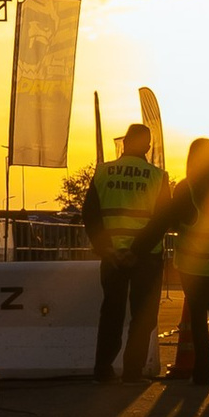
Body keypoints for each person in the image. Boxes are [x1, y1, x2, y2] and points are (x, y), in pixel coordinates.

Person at [138, 136, 209, 386]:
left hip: (193, 264)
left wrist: (140, 245)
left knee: (197, 318)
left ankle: (203, 375)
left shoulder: (188, 188)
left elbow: (171, 220)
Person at [83, 122, 168, 381]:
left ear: (124, 143)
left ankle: (103, 369)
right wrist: (137, 250)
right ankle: (132, 371)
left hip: (112, 257)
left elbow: (90, 214)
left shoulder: (103, 172)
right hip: (146, 258)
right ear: (148, 145)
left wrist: (105, 248)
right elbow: (162, 220)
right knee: (142, 316)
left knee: (111, 313)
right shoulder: (157, 176)